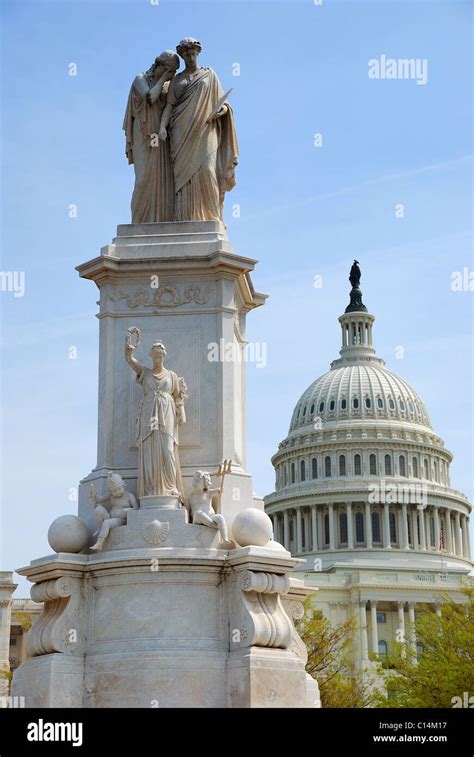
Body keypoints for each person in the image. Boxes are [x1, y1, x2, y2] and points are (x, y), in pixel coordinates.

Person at [158, 37, 239, 221]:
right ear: (182, 56)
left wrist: (222, 110)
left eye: (193, 53)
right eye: (186, 54)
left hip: (206, 129)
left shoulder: (209, 76)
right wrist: (162, 126)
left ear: (198, 53)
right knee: (182, 178)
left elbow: (224, 103)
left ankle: (212, 217)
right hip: (180, 132)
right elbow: (169, 107)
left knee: (207, 170)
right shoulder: (177, 81)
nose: (190, 57)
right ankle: (184, 217)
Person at [125, 331, 187, 499]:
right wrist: (128, 350)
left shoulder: (172, 376)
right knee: (149, 450)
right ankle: (151, 488)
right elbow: (131, 361)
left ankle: (171, 486)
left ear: (164, 357)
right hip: (149, 413)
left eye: (160, 356)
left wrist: (181, 413)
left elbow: (178, 396)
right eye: (155, 356)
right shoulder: (145, 373)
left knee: (167, 448)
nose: (157, 359)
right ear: (152, 357)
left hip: (167, 413)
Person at [123, 51, 180, 223]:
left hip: (160, 136)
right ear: (160, 65)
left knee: (161, 178)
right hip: (143, 132)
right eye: (170, 70)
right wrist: (163, 78)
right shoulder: (140, 79)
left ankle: (160, 221)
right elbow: (149, 98)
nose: (172, 75)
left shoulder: (167, 87)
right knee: (143, 179)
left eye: (174, 72)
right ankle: (139, 222)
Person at [89, 472, 138, 551]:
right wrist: (93, 495)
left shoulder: (129, 495)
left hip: (121, 520)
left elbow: (136, 508)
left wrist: (129, 510)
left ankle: (99, 543)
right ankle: (99, 527)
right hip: (110, 517)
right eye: (114, 491)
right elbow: (97, 501)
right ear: (110, 492)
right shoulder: (111, 496)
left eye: (119, 489)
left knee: (107, 523)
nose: (117, 492)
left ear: (123, 484)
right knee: (98, 509)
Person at [187, 469, 234, 548]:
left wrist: (219, 490)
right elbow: (188, 510)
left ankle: (225, 539)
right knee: (199, 513)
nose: (194, 482)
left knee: (220, 517)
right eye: (194, 480)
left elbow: (218, 491)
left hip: (211, 516)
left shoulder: (208, 493)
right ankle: (216, 526)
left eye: (198, 481)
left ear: (205, 485)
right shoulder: (191, 495)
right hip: (197, 518)